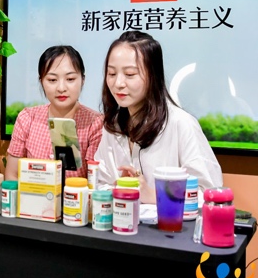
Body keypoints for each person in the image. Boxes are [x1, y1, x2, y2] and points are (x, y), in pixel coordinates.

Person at [94, 31, 222, 204]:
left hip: (170, 222)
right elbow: (99, 183)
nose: (118, 83)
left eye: (130, 74)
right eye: (111, 74)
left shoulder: (181, 124)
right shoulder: (113, 126)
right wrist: (117, 189)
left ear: (153, 75)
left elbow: (209, 193)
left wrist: (154, 196)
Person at [5, 45, 103, 180]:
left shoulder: (95, 123)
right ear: (41, 82)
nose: (61, 88)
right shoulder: (27, 118)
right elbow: (12, 175)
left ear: (82, 80)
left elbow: (96, 181)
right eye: (52, 80)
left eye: (70, 79)